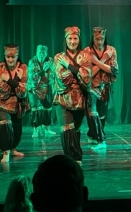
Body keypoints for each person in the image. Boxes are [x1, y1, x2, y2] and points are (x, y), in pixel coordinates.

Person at [52, 27, 92, 166]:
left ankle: (75, 159)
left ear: (79, 39)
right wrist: (77, 71)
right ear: (65, 40)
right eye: (70, 38)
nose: (72, 41)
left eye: (75, 38)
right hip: (63, 98)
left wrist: (68, 65)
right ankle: (73, 159)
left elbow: (87, 76)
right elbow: (62, 77)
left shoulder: (86, 55)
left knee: (75, 129)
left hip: (80, 98)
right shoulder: (58, 57)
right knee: (67, 128)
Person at [0, 44, 29, 163]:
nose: (11, 60)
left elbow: (23, 91)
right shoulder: (0, 67)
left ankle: (13, 148)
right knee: (5, 125)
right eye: (8, 57)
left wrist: (9, 80)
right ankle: (5, 152)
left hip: (18, 102)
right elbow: (2, 90)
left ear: (17, 56)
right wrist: (17, 80)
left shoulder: (23, 67)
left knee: (17, 127)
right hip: (2, 102)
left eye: (13, 57)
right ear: (5, 56)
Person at [85, 26, 118, 150]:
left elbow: (113, 70)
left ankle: (93, 135)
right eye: (97, 39)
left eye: (102, 39)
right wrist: (104, 61)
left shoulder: (111, 50)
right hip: (91, 87)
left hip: (105, 87)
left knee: (102, 115)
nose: (99, 42)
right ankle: (101, 141)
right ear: (92, 38)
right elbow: (88, 74)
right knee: (92, 113)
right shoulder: (87, 51)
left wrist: (98, 61)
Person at [27, 45, 56, 138]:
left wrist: (43, 74)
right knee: (35, 109)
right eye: (40, 52)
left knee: (48, 107)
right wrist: (43, 71)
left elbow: (53, 74)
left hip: (46, 87)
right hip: (34, 88)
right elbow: (33, 77)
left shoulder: (50, 61)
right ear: (36, 53)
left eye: (43, 52)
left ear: (46, 53)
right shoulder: (32, 61)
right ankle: (36, 129)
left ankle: (46, 128)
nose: (42, 54)